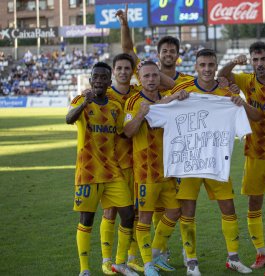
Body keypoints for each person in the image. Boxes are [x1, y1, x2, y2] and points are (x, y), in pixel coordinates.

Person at [171, 48, 263, 276]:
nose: (207, 69)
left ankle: (233, 258)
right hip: (189, 163)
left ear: (215, 66)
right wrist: (174, 98)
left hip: (216, 162)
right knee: (188, 210)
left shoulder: (226, 92)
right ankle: (191, 262)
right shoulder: (183, 90)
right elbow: (159, 110)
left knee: (229, 208)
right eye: (202, 65)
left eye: (211, 65)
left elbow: (252, 119)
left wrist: (238, 102)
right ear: (196, 67)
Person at [66, 62, 138, 276]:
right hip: (87, 173)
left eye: (103, 77)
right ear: (90, 80)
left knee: (128, 214)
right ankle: (85, 269)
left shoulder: (115, 106)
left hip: (112, 172)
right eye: (95, 77)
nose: (99, 80)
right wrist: (84, 104)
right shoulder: (80, 101)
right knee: (86, 219)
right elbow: (69, 119)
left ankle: (119, 262)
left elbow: (122, 134)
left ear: (109, 81)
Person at [217, 41, 265, 269]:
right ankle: (261, 253)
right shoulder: (248, 80)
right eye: (255, 60)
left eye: (263, 59)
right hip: (254, 153)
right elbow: (222, 75)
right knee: (254, 204)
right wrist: (234, 62)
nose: (259, 63)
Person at [123, 60, 188, 276]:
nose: (151, 80)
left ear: (160, 77)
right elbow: (128, 131)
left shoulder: (168, 100)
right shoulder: (133, 102)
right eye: (147, 76)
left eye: (154, 75)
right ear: (139, 79)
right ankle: (148, 263)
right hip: (145, 170)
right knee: (144, 216)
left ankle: (158, 253)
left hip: (168, 168)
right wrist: (141, 114)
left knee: (174, 211)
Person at [98, 53, 143, 275]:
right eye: (120, 68)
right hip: (111, 164)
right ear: (114, 71)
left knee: (134, 212)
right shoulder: (104, 95)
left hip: (138, 163)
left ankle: (130, 258)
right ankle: (107, 260)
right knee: (110, 212)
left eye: (128, 68)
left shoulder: (138, 94)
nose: (124, 72)